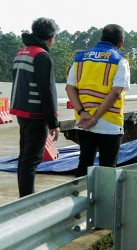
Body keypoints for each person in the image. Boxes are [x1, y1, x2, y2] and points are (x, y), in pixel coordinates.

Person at [66, 24, 130, 177]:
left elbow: (70, 88)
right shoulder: (120, 61)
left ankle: (79, 198)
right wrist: (95, 118)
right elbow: (115, 92)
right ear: (121, 43)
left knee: (84, 163)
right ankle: (104, 200)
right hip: (109, 122)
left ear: (100, 38)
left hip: (83, 121)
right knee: (107, 168)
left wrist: (83, 113)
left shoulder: (80, 58)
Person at [9, 17, 60, 197]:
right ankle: (27, 199)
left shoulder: (23, 52)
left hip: (22, 111)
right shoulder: (42, 56)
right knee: (31, 159)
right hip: (36, 114)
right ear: (51, 36)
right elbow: (46, 91)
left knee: (25, 156)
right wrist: (53, 122)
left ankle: (25, 195)